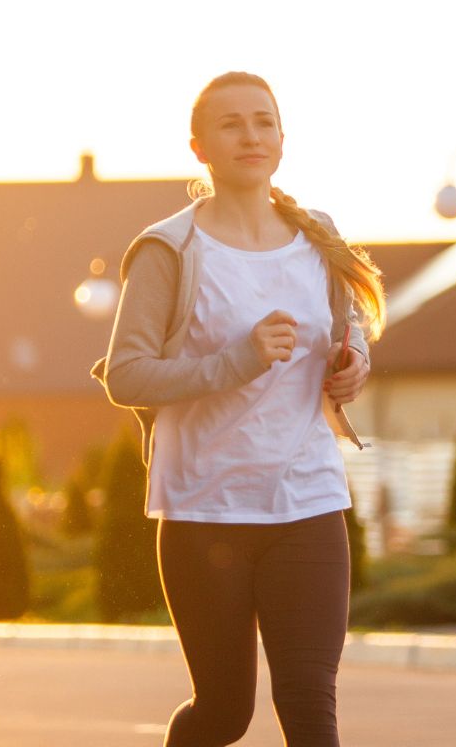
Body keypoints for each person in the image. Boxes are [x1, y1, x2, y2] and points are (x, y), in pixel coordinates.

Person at [92, 71, 386, 746]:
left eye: (263, 121)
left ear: (282, 138)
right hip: (205, 511)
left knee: (311, 709)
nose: (251, 135)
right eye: (231, 124)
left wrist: (353, 364)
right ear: (199, 148)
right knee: (224, 713)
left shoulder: (318, 234)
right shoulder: (170, 249)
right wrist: (238, 361)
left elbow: (348, 325)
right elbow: (126, 375)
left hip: (307, 501)